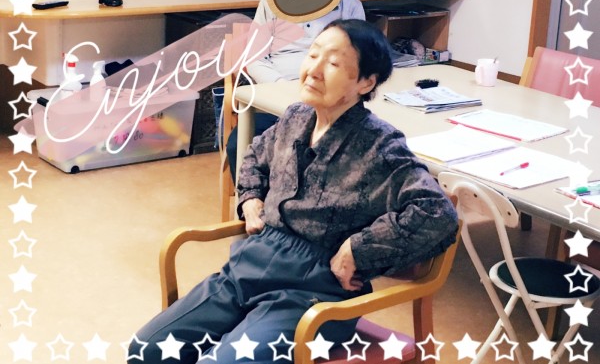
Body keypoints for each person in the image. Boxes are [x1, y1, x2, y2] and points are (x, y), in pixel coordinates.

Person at [129, 19, 458, 364]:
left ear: (366, 82)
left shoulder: (380, 145)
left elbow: (436, 212)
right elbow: (255, 155)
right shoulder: (296, 117)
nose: (313, 70)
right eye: (313, 55)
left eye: (333, 63)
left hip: (315, 293)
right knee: (147, 349)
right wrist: (250, 197)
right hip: (250, 266)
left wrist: (358, 250)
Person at [225, 0, 365, 178]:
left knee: (332, 150)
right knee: (239, 145)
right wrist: (282, 87)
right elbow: (255, 58)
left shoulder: (349, 6)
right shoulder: (271, 4)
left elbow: (357, 59)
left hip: (331, 99)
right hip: (277, 94)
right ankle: (253, 196)